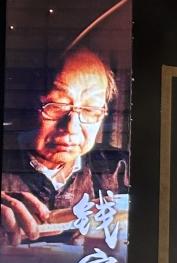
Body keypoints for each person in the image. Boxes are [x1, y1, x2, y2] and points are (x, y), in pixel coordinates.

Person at [2, 47, 127, 245]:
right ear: (26, 103)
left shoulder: (119, 168)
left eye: (90, 109)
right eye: (56, 105)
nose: (71, 127)